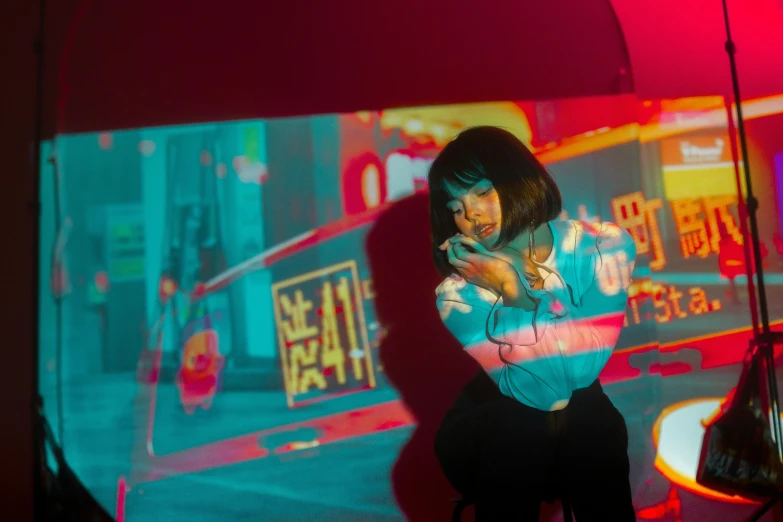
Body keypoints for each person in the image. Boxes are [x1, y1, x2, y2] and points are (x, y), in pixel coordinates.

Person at [429, 126, 638, 521]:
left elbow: (580, 373)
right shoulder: (457, 295)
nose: (469, 214)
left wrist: (519, 275)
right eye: (455, 207)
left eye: (482, 191)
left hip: (574, 423)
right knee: (526, 422)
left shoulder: (601, 247)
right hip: (488, 428)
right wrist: (509, 288)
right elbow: (541, 395)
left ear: (517, 179)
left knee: (590, 415)